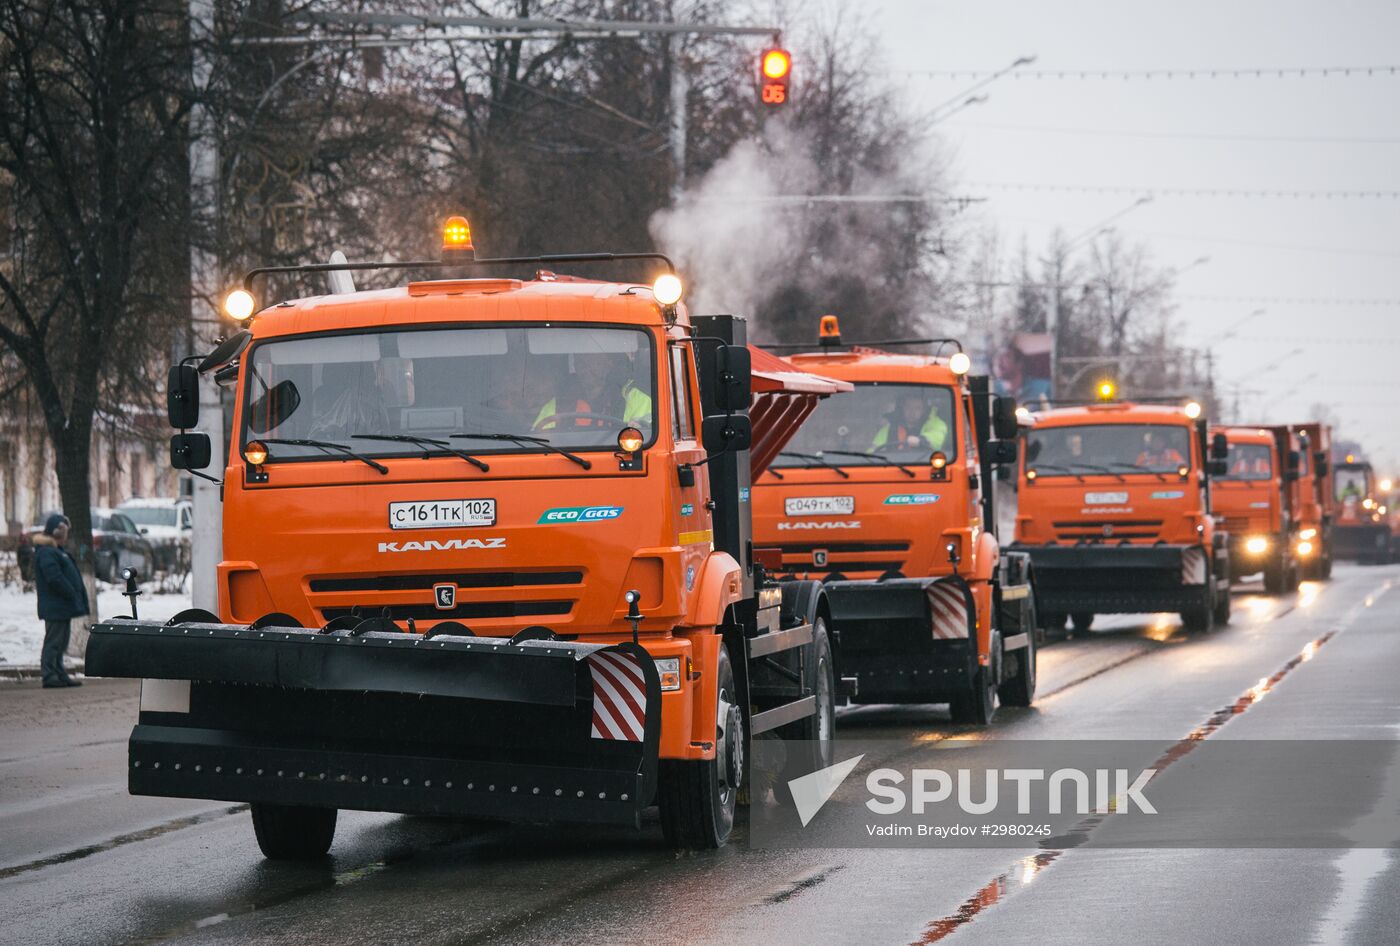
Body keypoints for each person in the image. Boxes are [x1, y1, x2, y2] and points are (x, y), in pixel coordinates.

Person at [32, 513, 88, 689]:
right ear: (56, 533)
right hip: (55, 606)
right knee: (54, 642)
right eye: (63, 533)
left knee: (61, 642)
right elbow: (54, 578)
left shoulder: (56, 551)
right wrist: (70, 591)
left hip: (62, 606)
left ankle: (59, 674)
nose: (65, 536)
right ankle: (49, 675)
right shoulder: (47, 552)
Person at [533, 351, 651, 431]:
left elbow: (643, 440)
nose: (584, 365)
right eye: (580, 359)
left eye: (591, 358)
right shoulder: (561, 401)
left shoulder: (637, 398)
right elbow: (538, 438)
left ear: (609, 363)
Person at [871, 392, 948, 451]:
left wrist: (921, 441)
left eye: (917, 408)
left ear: (924, 410)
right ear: (903, 408)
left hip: (924, 465)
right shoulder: (889, 429)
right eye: (908, 407)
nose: (912, 412)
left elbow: (937, 438)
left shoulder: (935, 423)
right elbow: (873, 450)